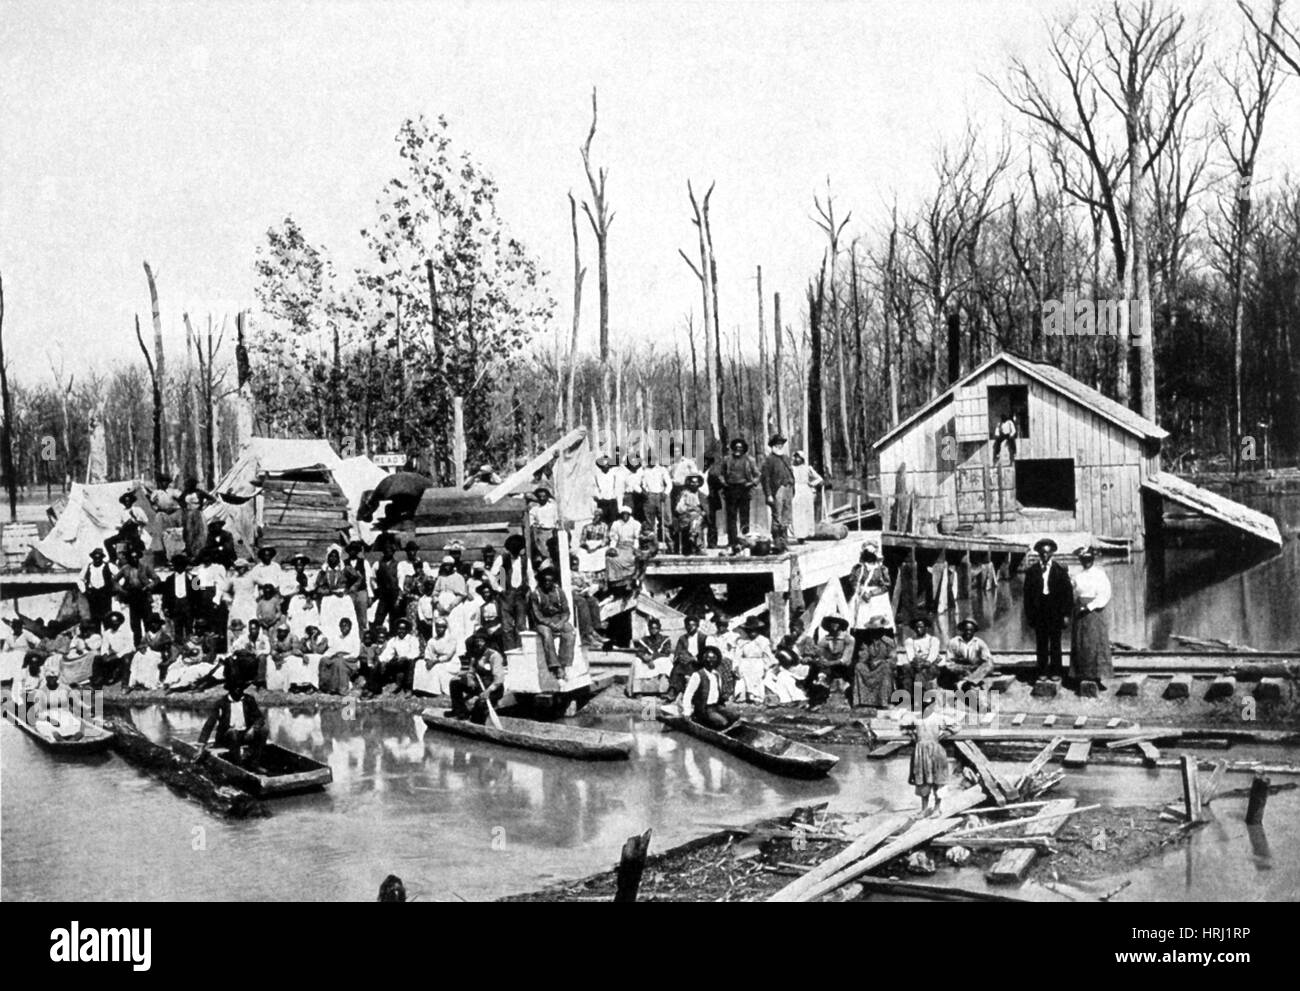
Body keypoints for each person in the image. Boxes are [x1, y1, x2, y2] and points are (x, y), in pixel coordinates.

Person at [1023, 538, 1072, 682]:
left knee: (1055, 642)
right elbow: (1027, 595)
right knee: (1041, 642)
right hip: (1039, 611)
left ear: (1052, 553)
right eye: (1042, 552)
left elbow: (1067, 594)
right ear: (1038, 553)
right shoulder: (1032, 571)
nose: (1045, 555)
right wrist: (1029, 615)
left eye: (1048, 552)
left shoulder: (1060, 570)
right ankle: (1042, 670)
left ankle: (1056, 670)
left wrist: (1066, 614)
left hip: (1055, 610)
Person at [194, 671, 268, 766]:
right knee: (233, 733)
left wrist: (253, 728)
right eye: (235, 687)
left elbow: (260, 718)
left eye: (240, 687)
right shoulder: (221, 703)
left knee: (263, 730)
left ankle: (255, 762)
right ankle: (238, 763)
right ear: (230, 689)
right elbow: (209, 724)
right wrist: (201, 745)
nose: (238, 690)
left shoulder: (249, 700)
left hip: (245, 735)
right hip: (227, 737)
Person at [904, 699, 959, 816]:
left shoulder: (938, 717)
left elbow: (956, 725)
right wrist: (912, 734)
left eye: (927, 706)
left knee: (937, 779)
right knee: (922, 779)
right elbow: (904, 727)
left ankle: (937, 809)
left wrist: (945, 734)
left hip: (935, 751)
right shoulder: (915, 718)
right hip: (920, 752)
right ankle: (924, 809)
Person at [1069, 548, 1112, 692]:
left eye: (1088, 559)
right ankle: (1080, 676)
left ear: (1092, 560)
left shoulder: (1100, 574)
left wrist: (1090, 606)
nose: (1086, 562)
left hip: (1095, 612)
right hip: (1079, 611)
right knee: (1081, 643)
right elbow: (1073, 592)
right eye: (1083, 560)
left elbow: (1105, 594)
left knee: (1095, 643)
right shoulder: (1077, 576)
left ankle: (1096, 678)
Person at [529, 566, 577, 678]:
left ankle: (565, 663)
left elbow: (566, 611)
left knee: (570, 632)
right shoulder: (535, 594)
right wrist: (549, 624)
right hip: (542, 622)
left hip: (558, 619)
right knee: (546, 635)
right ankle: (555, 666)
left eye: (549, 581)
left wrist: (561, 622)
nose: (547, 583)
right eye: (544, 581)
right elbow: (537, 615)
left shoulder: (559, 592)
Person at [449, 634, 506, 723]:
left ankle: (477, 720)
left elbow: (498, 679)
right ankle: (461, 712)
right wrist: (469, 678)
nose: (479, 644)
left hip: (493, 689)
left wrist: (488, 691)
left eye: (481, 641)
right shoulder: (475, 654)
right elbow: (471, 670)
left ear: (486, 642)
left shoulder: (494, 656)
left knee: (479, 708)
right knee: (455, 684)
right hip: (479, 686)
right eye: (477, 641)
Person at [681, 645, 738, 729]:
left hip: (716, 706)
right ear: (703, 660)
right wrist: (687, 712)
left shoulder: (716, 675)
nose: (710, 661)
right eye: (707, 658)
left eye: (713, 658)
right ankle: (702, 721)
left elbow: (718, 692)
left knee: (735, 716)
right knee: (723, 723)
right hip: (704, 709)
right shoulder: (697, 675)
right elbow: (688, 694)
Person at [719, 437, 759, 553]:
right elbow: (721, 474)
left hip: (744, 489)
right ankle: (732, 541)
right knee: (731, 517)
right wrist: (724, 483)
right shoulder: (727, 459)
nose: (738, 450)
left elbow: (757, 474)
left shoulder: (749, 460)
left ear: (744, 449)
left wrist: (752, 483)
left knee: (744, 516)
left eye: (740, 448)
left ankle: (744, 540)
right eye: (736, 447)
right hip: (730, 489)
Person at [805, 615, 854, 706]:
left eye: (836, 622)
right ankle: (814, 697)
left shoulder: (848, 639)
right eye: (832, 622)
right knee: (815, 670)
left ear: (840, 624)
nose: (834, 625)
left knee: (847, 680)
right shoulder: (825, 639)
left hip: (844, 668)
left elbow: (846, 659)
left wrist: (830, 663)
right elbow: (820, 653)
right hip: (829, 667)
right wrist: (820, 660)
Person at [494, 534, 529, 650]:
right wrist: (499, 589)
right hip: (506, 596)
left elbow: (531, 577)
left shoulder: (525, 561)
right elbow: (492, 575)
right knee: (507, 627)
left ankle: (521, 652)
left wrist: (531, 591)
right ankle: (510, 653)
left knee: (521, 625)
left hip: (520, 595)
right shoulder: (502, 559)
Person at [760, 434, 796, 546]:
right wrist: (769, 495)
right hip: (777, 490)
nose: (779, 446)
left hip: (788, 488)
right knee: (777, 516)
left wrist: (792, 487)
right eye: (777, 444)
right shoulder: (769, 460)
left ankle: (784, 542)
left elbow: (790, 472)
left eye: (781, 444)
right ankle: (777, 542)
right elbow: (765, 479)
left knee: (786, 516)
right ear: (772, 446)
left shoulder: (786, 458)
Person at [315, 548, 360, 638]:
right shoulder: (324, 571)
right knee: (330, 622)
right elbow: (318, 586)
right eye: (331, 556)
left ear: (339, 558)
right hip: (329, 599)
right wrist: (329, 591)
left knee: (344, 619)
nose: (333, 558)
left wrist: (350, 589)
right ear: (327, 558)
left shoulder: (345, 569)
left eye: (335, 556)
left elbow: (358, 578)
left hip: (342, 598)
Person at [730, 615, 774, 703]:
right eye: (750, 630)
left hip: (758, 663)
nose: (752, 633)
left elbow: (768, 657)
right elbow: (737, 656)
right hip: (745, 663)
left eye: (755, 630)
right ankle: (744, 695)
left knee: (757, 673)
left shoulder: (763, 641)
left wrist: (766, 667)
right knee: (743, 674)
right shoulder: (741, 641)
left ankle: (756, 696)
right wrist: (736, 667)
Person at [849, 546, 894, 633]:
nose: (870, 558)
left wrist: (871, 593)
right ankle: (860, 635)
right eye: (868, 555)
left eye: (871, 555)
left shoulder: (881, 569)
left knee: (877, 618)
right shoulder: (859, 568)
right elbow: (853, 581)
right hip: (861, 595)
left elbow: (886, 585)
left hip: (877, 597)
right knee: (860, 617)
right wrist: (861, 593)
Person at [943, 617, 994, 690]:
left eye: (971, 630)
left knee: (989, 664)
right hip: (959, 670)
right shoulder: (953, 642)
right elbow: (949, 662)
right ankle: (967, 683)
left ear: (974, 631)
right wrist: (961, 669)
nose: (968, 632)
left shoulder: (980, 643)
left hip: (974, 669)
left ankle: (969, 681)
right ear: (962, 630)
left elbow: (988, 659)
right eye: (966, 630)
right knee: (948, 670)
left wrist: (977, 669)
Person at [853, 625, 897, 709]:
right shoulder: (867, 641)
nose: (875, 632)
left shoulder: (889, 642)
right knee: (859, 666)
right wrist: (864, 657)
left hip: (882, 667)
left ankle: (884, 701)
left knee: (886, 667)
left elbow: (893, 659)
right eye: (873, 630)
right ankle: (863, 701)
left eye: (878, 629)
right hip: (870, 667)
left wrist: (881, 661)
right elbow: (863, 657)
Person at [415, 617, 460, 697]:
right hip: (435, 660)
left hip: (450, 662)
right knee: (419, 663)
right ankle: (422, 689)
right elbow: (428, 652)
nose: (439, 629)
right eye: (437, 627)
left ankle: (434, 691)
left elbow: (448, 656)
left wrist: (434, 661)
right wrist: (428, 660)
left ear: (445, 628)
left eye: (442, 627)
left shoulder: (451, 639)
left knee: (437, 667)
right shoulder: (432, 640)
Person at [127, 615, 172, 691]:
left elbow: (167, 649)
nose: (154, 625)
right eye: (152, 623)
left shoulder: (164, 636)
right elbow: (141, 644)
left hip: (158, 654)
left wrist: (163, 653)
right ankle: (137, 682)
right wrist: (142, 648)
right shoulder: (147, 635)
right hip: (148, 653)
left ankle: (149, 683)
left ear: (159, 625)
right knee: (138, 657)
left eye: (156, 623)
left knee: (150, 660)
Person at [377, 618, 421, 693]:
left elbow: (415, 653)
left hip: (409, 661)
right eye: (399, 629)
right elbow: (388, 652)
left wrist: (406, 657)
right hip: (398, 662)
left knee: (410, 663)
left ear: (407, 630)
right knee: (383, 664)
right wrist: (382, 660)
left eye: (403, 629)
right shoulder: (393, 640)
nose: (401, 631)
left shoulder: (412, 639)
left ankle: (408, 689)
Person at [93, 611, 135, 688]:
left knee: (126, 660)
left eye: (116, 622)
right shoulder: (107, 633)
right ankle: (98, 681)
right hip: (113, 653)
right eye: (111, 622)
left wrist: (117, 656)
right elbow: (104, 646)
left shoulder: (127, 632)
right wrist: (104, 654)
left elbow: (130, 647)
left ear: (120, 622)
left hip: (125, 653)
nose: (113, 624)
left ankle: (125, 684)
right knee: (97, 659)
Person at [223, 557, 260, 646]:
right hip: (237, 604)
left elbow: (265, 584)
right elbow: (225, 590)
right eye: (238, 567)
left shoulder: (252, 577)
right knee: (236, 625)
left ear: (246, 567)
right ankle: (234, 647)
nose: (240, 569)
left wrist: (259, 597)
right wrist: (229, 601)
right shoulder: (233, 578)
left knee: (250, 624)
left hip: (249, 604)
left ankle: (251, 646)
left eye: (242, 567)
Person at [162, 553, 199, 641]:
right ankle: (179, 649)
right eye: (176, 565)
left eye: (181, 565)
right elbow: (165, 595)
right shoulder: (169, 579)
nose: (179, 567)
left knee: (189, 628)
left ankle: (189, 648)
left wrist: (197, 608)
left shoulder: (194, 578)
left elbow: (198, 594)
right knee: (177, 629)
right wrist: (165, 607)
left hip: (188, 606)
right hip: (175, 606)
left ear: (185, 566)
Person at [226, 618, 272, 688]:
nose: (252, 631)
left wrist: (258, 652)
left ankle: (260, 682)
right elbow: (235, 646)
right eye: (251, 629)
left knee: (262, 657)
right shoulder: (245, 637)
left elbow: (268, 650)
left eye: (254, 629)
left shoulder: (264, 638)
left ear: (258, 629)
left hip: (259, 659)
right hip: (249, 660)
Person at [569, 559, 605, 649]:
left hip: (581, 592)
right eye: (573, 564)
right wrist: (576, 589)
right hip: (572, 594)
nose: (575, 566)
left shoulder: (580, 574)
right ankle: (586, 633)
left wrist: (586, 588)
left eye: (577, 564)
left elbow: (585, 584)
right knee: (582, 603)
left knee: (593, 601)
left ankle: (595, 629)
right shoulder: (567, 572)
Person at [902, 616, 941, 696]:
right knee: (907, 669)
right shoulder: (909, 641)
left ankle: (918, 699)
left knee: (920, 673)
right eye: (916, 627)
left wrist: (925, 663)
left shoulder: (933, 640)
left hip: (930, 665)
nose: (919, 629)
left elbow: (933, 655)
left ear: (926, 627)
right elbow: (911, 656)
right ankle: (910, 697)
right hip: (916, 664)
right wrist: (917, 663)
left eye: (921, 627)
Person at [790, 450, 824, 541]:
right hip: (796, 490)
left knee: (806, 512)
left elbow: (819, 478)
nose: (797, 459)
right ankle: (798, 534)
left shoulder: (808, 468)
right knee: (797, 512)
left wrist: (812, 484)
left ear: (802, 459)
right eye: (795, 457)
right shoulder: (792, 468)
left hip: (805, 490)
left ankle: (806, 533)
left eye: (799, 457)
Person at [630, 618, 674, 689]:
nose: (654, 630)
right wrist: (644, 657)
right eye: (652, 628)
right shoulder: (645, 640)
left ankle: (664, 688)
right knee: (636, 661)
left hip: (659, 660)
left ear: (659, 628)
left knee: (666, 661)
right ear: (649, 629)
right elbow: (640, 651)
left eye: (656, 628)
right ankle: (638, 689)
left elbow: (666, 652)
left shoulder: (665, 639)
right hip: (646, 661)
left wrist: (651, 658)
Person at [605, 504, 640, 591]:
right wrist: (612, 548)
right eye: (623, 514)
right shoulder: (616, 524)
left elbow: (637, 538)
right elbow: (614, 538)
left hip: (630, 546)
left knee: (631, 559)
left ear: (629, 515)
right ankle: (615, 581)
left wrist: (635, 548)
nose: (625, 516)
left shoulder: (635, 524)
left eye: (626, 514)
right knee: (610, 558)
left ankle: (629, 581)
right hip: (620, 546)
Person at [79, 547, 116, 628]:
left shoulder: (108, 566)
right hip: (93, 595)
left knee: (107, 616)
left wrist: (116, 588)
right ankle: (97, 636)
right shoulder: (88, 567)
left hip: (105, 594)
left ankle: (107, 635)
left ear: (102, 557)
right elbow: (79, 579)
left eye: (99, 558)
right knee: (95, 618)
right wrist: (84, 591)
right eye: (95, 558)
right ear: (92, 558)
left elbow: (120, 576)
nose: (97, 560)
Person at [372, 539, 403, 634]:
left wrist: (399, 597)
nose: (388, 552)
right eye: (386, 550)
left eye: (390, 551)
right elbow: (372, 578)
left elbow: (401, 581)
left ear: (393, 552)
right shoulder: (377, 564)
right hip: (383, 596)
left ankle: (393, 639)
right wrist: (376, 589)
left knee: (394, 619)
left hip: (394, 595)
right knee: (379, 618)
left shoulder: (398, 565)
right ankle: (375, 638)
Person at [640, 453, 672, 543]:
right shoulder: (644, 470)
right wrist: (644, 492)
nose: (651, 461)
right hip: (650, 496)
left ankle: (668, 542)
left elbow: (669, 484)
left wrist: (665, 493)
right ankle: (652, 543)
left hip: (661, 495)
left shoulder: (662, 470)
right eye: (649, 459)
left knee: (665, 520)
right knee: (649, 520)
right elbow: (642, 484)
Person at [674, 472, 708, 555]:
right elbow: (678, 509)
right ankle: (696, 543)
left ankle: (693, 535)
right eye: (692, 482)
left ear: (699, 483)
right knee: (695, 519)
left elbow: (706, 510)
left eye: (696, 482)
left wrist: (701, 512)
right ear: (689, 482)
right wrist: (689, 509)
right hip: (685, 517)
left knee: (697, 519)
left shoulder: (702, 496)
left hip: (698, 517)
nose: (694, 484)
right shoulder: (684, 495)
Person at [343, 540, 371, 636]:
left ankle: (362, 638)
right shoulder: (344, 563)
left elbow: (367, 579)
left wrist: (370, 595)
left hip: (361, 592)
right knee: (350, 615)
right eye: (351, 549)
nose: (352, 551)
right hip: (350, 593)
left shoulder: (364, 562)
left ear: (357, 551)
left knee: (362, 617)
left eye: (355, 549)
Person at [179, 477, 212, 559]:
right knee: (189, 533)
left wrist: (204, 505)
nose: (189, 486)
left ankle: (199, 553)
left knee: (200, 533)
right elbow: (180, 500)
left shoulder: (199, 492)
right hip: (188, 515)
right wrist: (184, 507)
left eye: (190, 485)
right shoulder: (185, 493)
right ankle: (190, 552)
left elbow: (212, 499)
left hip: (198, 514)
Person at [527, 487, 559, 566]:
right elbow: (530, 520)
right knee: (543, 550)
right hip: (540, 532)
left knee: (553, 550)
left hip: (552, 531)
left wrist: (556, 528)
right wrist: (535, 525)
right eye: (540, 497)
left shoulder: (553, 507)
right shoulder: (535, 508)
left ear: (547, 496)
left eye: (544, 496)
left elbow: (557, 518)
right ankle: (546, 565)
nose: (542, 498)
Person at [592, 454, 623, 525]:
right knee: (602, 521)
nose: (606, 466)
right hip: (602, 502)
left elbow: (617, 488)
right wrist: (599, 498)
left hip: (612, 501)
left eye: (607, 464)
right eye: (604, 465)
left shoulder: (613, 474)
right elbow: (595, 488)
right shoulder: (597, 476)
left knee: (613, 521)